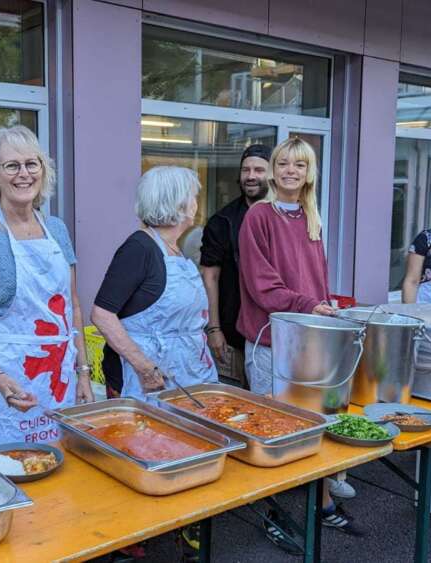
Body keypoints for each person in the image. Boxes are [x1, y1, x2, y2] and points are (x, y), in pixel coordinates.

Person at [237, 137, 362, 546]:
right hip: (270, 341)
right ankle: (272, 513)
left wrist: (325, 311)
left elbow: (317, 281)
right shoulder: (259, 216)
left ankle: (322, 505)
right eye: (284, 163)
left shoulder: (312, 216)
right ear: (272, 170)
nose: (291, 171)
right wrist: (310, 305)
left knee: (315, 426)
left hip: (308, 337)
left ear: (310, 173)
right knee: (272, 432)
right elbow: (261, 286)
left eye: (301, 165)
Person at [0, 125, 93, 453]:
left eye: (31, 164)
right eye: (11, 165)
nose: (23, 174)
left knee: (58, 470)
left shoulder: (56, 229)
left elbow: (73, 306)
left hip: (57, 380)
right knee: (4, 473)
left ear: (43, 170)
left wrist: (83, 371)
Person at [92, 166, 218, 401]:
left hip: (187, 372)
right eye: (193, 196)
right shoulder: (139, 248)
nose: (195, 203)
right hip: (148, 381)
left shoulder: (175, 249)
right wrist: (145, 368)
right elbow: (102, 314)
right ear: (178, 202)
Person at [200, 143, 271, 388]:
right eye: (246, 170)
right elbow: (210, 277)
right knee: (236, 406)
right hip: (233, 336)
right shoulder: (223, 221)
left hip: (278, 334)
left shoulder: (288, 217)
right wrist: (214, 329)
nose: (251, 176)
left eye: (259, 170)